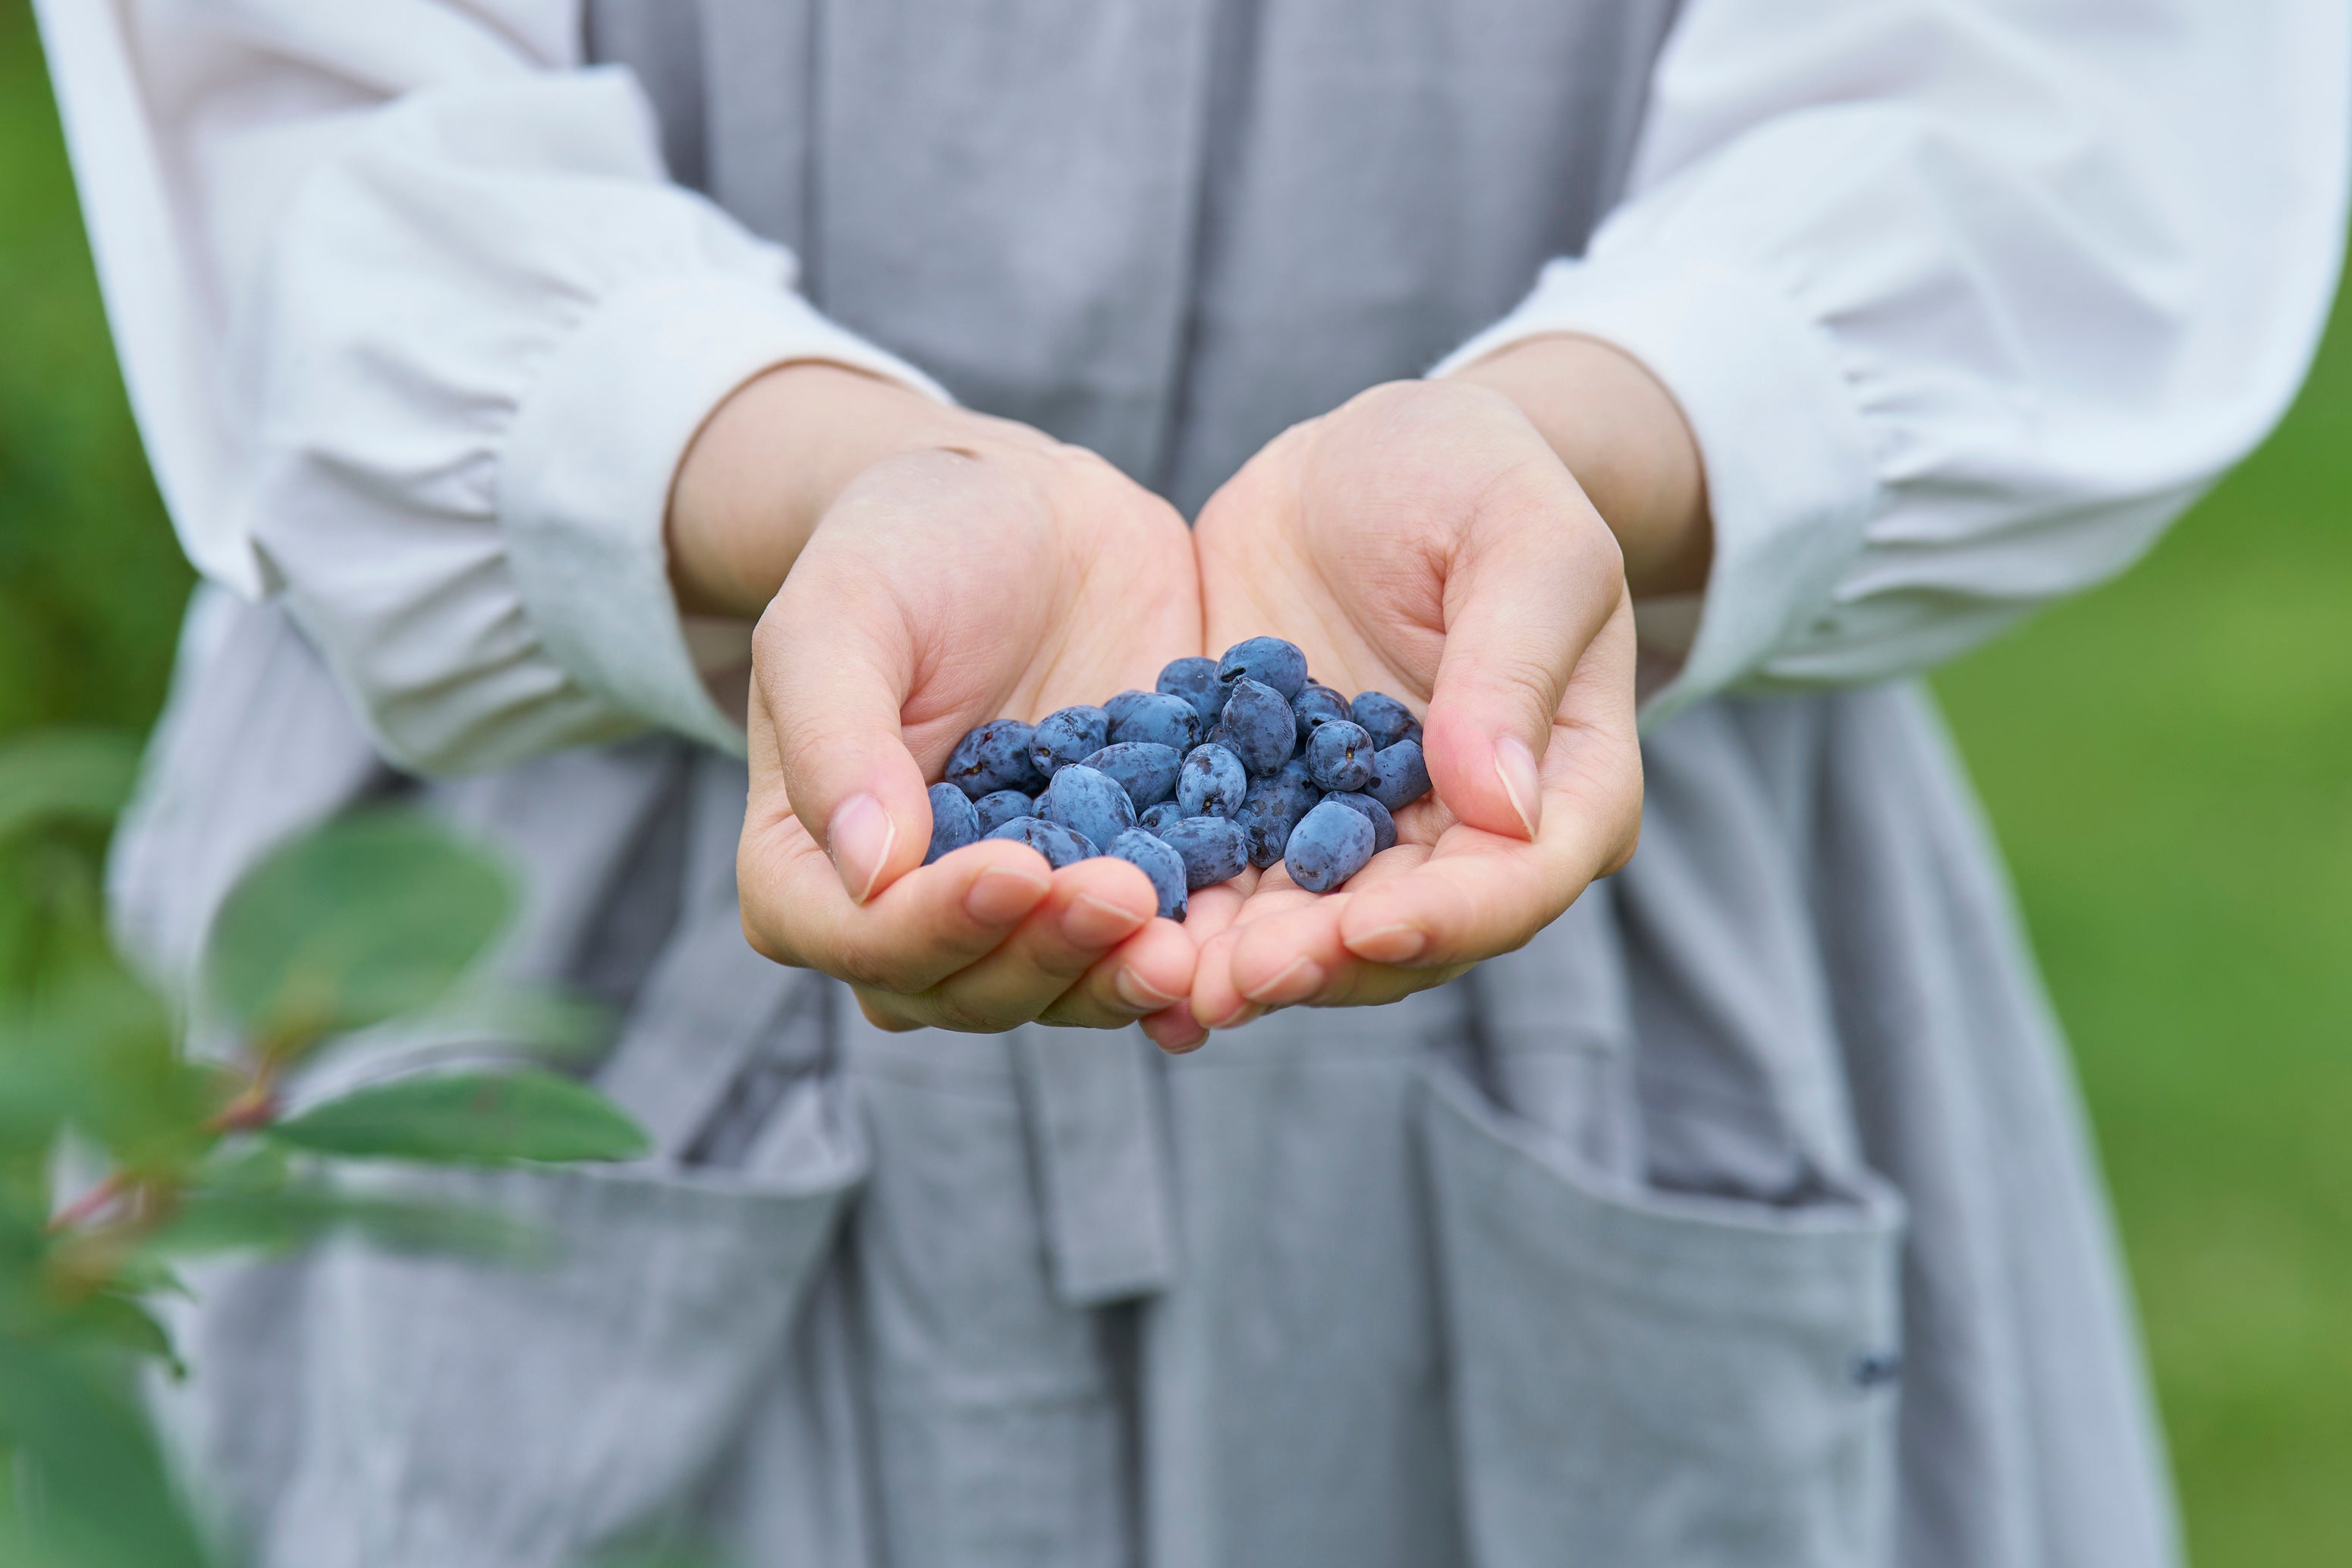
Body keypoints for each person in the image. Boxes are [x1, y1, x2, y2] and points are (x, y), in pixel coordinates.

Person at [32, 0, 2346, 1563]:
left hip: (1581, 787)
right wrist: (759, 460)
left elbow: (2058, 97)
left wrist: (1597, 438)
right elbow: (306, 105)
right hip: (552, 927)